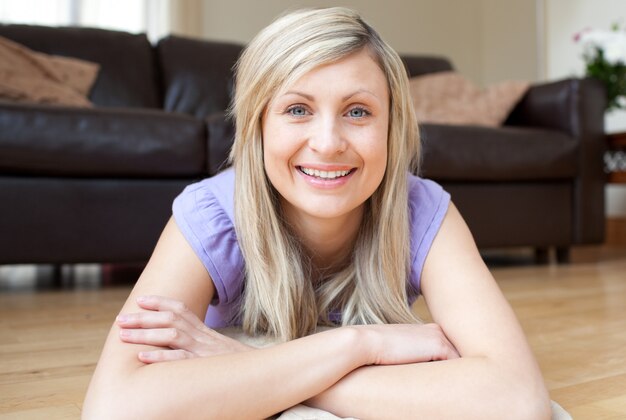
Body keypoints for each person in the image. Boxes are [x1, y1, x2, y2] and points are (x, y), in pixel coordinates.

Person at [82, 7, 550, 419]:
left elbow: (516, 401)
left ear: (392, 128)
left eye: (359, 112)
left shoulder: (423, 211)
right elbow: (114, 408)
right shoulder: (212, 215)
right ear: (258, 126)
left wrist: (248, 362)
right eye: (298, 108)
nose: (328, 143)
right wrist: (361, 345)